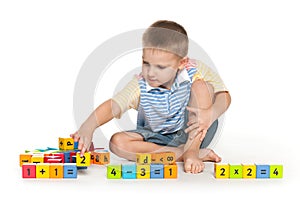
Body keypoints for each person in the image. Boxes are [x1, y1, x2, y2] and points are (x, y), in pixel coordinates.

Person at [71, 20, 231, 174]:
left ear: (181, 63)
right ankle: (182, 154)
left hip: (194, 131)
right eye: (146, 63)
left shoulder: (193, 70)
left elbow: (224, 96)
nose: (151, 72)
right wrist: (88, 127)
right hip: (157, 137)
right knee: (117, 143)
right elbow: (114, 106)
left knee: (202, 86)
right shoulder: (141, 84)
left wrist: (211, 113)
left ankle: (193, 150)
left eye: (161, 67)